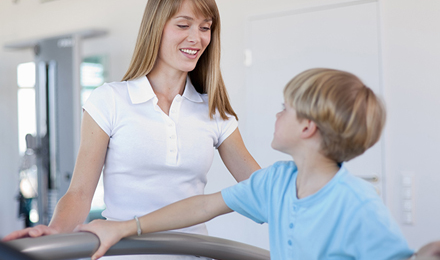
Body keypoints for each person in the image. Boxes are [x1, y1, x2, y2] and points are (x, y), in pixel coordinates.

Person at [3, 0, 259, 259]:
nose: (196, 38)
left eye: (205, 28)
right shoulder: (110, 100)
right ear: (155, 27)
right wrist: (55, 231)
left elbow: (262, 188)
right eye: (183, 25)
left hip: (192, 253)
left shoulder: (215, 112)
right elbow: (79, 193)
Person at [76, 68, 440, 260]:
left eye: (285, 108)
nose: (276, 114)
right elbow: (205, 205)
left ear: (307, 127)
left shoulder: (357, 203)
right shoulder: (276, 183)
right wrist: (125, 227)